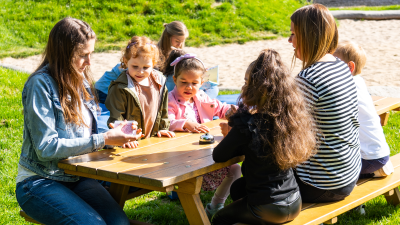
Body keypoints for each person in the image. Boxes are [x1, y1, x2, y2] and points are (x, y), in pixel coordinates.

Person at [15, 17, 141, 225]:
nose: (89, 62)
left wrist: (115, 130)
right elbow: (46, 148)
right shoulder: (40, 85)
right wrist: (103, 139)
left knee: (120, 223)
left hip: (77, 175)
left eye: (90, 54)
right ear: (63, 54)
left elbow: (85, 132)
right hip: (39, 181)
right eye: (83, 55)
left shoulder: (80, 78)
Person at [211, 49, 316, 224]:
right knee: (238, 188)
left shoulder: (248, 124)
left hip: (267, 206)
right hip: (294, 200)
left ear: (255, 88)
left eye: (246, 83)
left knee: (219, 219)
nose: (243, 88)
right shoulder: (290, 120)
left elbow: (219, 156)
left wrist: (233, 130)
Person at [289, 4, 362, 203]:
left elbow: (283, 130)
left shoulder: (308, 79)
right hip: (349, 174)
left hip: (321, 183)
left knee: (245, 187)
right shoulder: (340, 66)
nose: (290, 41)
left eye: (293, 34)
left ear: (307, 36)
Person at [167, 53, 241, 218]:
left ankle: (216, 205)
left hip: (203, 152)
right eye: (183, 82)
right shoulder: (170, 99)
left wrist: (231, 111)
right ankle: (176, 192)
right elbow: (167, 121)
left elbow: (219, 108)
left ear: (202, 83)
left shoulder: (200, 96)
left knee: (235, 169)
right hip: (181, 157)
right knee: (191, 183)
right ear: (174, 79)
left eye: (194, 83)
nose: (189, 87)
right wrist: (185, 123)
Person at [334, 41, 393, 178]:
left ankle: (370, 172)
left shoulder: (345, 86)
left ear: (349, 67)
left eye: (334, 63)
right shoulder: (359, 81)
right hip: (380, 153)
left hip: (367, 158)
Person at [95, 21, 189, 104]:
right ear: (167, 37)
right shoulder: (150, 52)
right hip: (104, 90)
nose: (180, 45)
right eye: (177, 41)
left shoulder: (176, 54)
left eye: (182, 41)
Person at [106, 36, 175, 141]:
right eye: (135, 66)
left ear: (154, 63)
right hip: (130, 140)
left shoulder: (159, 81)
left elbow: (163, 109)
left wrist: (163, 128)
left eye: (146, 67)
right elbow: (116, 117)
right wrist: (123, 138)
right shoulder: (120, 87)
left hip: (152, 137)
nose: (140, 71)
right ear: (126, 61)